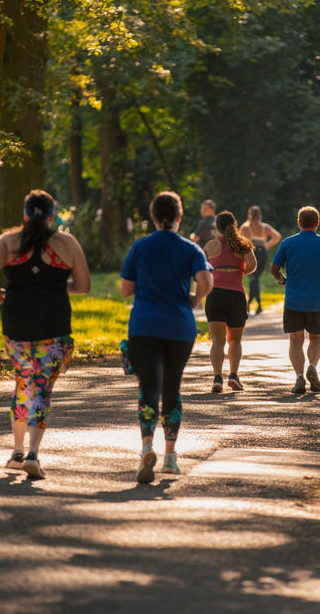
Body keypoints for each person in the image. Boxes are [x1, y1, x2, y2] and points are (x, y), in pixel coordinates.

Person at [0, 190, 90, 480]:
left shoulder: (8, 241)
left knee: (22, 382)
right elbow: (84, 285)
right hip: (54, 325)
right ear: (53, 215)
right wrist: (54, 288)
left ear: (25, 215)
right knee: (42, 388)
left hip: (16, 323)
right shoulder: (66, 243)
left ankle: (16, 453)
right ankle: (33, 455)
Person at [121, 191, 213, 483]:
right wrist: (196, 299)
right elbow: (207, 281)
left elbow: (125, 289)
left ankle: (147, 447)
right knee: (172, 388)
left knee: (148, 388)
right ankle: (171, 458)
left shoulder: (140, 247)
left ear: (152, 217)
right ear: (179, 216)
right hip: (179, 328)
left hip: (144, 326)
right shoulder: (190, 249)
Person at [270, 205, 320, 395]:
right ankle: (312, 366)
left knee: (295, 340)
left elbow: (274, 268)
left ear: (299, 223)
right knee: (317, 338)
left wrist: (283, 281)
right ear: (317, 224)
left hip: (294, 300)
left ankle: (299, 377)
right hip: (318, 300)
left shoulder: (287, 243)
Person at [203, 211, 257, 392]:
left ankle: (217, 378)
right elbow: (252, 266)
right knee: (235, 340)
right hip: (236, 296)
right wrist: (238, 271)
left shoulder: (210, 245)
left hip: (215, 295)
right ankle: (233, 375)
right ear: (234, 225)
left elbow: (201, 268)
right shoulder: (243, 245)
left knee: (217, 340)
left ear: (216, 227)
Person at [240, 205, 281, 315]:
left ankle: (251, 304)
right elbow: (277, 236)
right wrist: (266, 246)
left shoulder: (245, 227)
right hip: (263, 253)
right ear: (259, 215)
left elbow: (238, 239)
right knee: (255, 279)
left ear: (249, 214)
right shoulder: (265, 227)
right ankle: (256, 305)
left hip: (251, 252)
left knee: (254, 278)